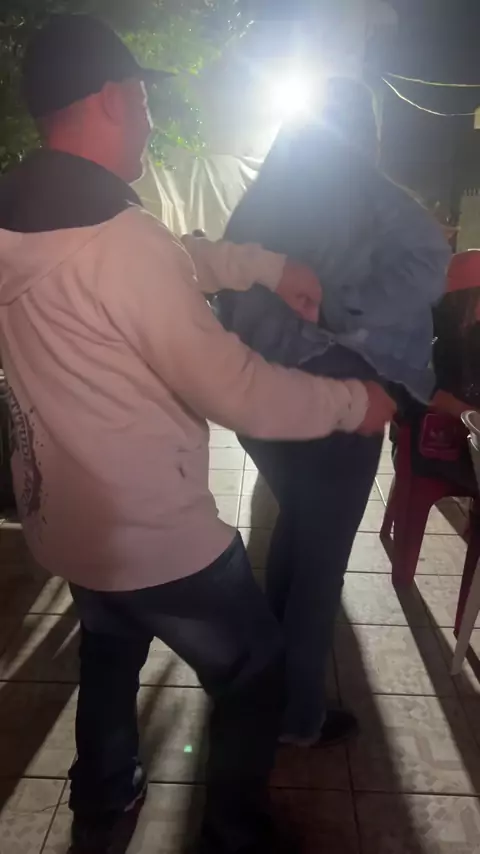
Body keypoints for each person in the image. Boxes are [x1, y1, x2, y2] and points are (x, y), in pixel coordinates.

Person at [0, 17, 395, 854]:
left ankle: (105, 790)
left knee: (110, 649)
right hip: (154, 535)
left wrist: (264, 266)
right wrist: (352, 403)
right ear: (113, 99)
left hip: (64, 520)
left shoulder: (27, 214)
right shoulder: (119, 240)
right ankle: (233, 832)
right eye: (143, 101)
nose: (149, 121)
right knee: (254, 672)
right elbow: (236, 388)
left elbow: (165, 264)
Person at [214, 77, 450, 748]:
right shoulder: (366, 188)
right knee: (321, 566)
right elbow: (431, 260)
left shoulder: (266, 194)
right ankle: (296, 717)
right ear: (364, 132)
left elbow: (229, 287)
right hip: (339, 406)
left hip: (265, 404)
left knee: (298, 533)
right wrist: (340, 308)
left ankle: (271, 689)